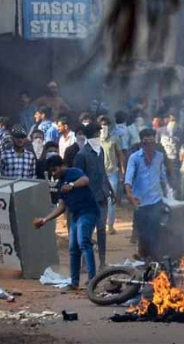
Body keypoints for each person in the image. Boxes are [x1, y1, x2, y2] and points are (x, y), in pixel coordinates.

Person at [33, 155, 99, 291]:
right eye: (51, 171)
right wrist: (45, 219)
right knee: (73, 249)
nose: (53, 173)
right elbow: (61, 207)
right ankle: (74, 282)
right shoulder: (60, 183)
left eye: (55, 169)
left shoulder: (72, 172)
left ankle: (93, 280)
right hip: (75, 215)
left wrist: (72, 184)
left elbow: (86, 180)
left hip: (88, 211)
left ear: (62, 166)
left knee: (84, 242)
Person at [74, 123, 115, 269]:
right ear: (90, 135)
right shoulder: (82, 155)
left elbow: (103, 172)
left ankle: (102, 263)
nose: (99, 136)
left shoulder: (101, 151)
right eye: (96, 134)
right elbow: (77, 177)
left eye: (99, 133)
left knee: (102, 230)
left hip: (103, 196)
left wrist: (111, 189)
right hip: (89, 199)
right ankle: (86, 264)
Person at [124, 128, 168, 260]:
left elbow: (162, 176)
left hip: (156, 200)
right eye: (146, 142)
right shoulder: (134, 158)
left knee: (156, 232)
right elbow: (128, 178)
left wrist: (167, 193)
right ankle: (144, 258)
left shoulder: (159, 156)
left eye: (152, 141)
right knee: (143, 234)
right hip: (140, 202)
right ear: (142, 143)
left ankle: (155, 260)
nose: (149, 145)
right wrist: (129, 194)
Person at [99, 115, 125, 235]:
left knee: (111, 200)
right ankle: (100, 223)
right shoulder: (95, 140)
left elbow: (120, 155)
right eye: (101, 125)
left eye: (106, 124)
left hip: (112, 172)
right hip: (99, 174)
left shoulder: (115, 139)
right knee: (99, 199)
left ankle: (110, 225)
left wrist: (123, 170)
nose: (103, 127)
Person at [157, 111, 184, 194]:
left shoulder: (181, 131)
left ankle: (175, 193)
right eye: (171, 119)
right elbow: (157, 144)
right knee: (163, 175)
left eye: (175, 119)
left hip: (175, 159)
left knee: (175, 175)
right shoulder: (160, 130)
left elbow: (183, 145)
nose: (173, 121)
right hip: (163, 158)